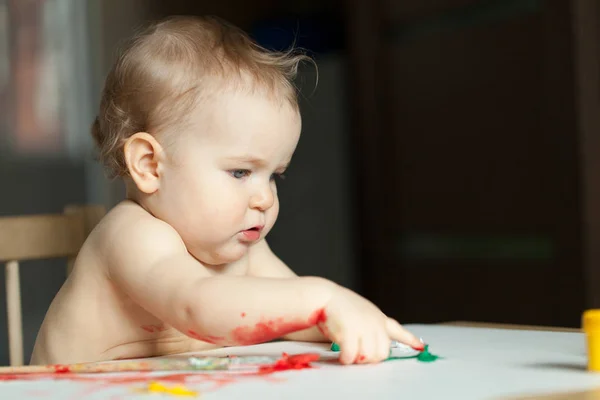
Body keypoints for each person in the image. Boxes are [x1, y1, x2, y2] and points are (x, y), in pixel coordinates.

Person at [31, 15, 423, 366]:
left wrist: (352, 318)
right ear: (150, 165)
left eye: (275, 176)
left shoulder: (242, 247)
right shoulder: (130, 236)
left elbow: (296, 314)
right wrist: (323, 297)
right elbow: (198, 305)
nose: (265, 198)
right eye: (240, 172)